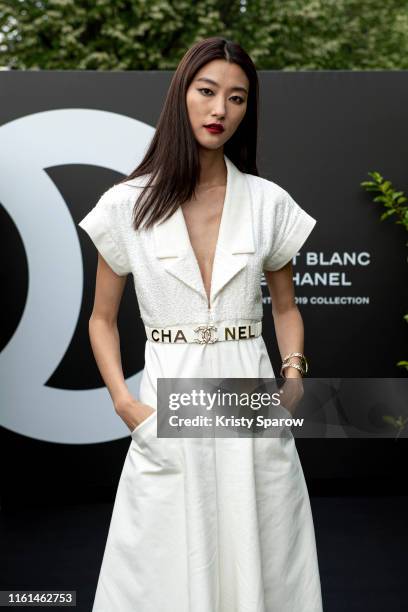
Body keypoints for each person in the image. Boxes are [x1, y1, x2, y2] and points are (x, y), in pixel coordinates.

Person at [78, 36, 324, 612]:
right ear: (181, 95)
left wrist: (292, 377)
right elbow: (101, 319)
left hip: (250, 398)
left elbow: (285, 308)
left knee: (265, 550)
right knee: (162, 559)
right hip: (166, 403)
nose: (220, 111)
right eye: (207, 92)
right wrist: (125, 404)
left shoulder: (267, 202)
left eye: (236, 99)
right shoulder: (125, 204)